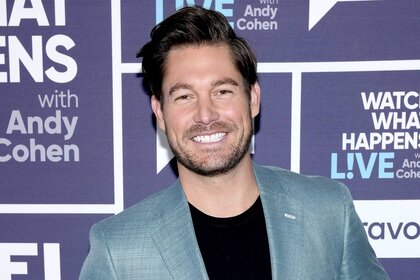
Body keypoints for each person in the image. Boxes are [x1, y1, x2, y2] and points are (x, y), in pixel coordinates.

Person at [79, 6, 389, 280]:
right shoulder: (117, 249)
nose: (205, 115)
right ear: (160, 111)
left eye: (222, 91)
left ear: (252, 98)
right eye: (185, 96)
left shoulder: (328, 211)